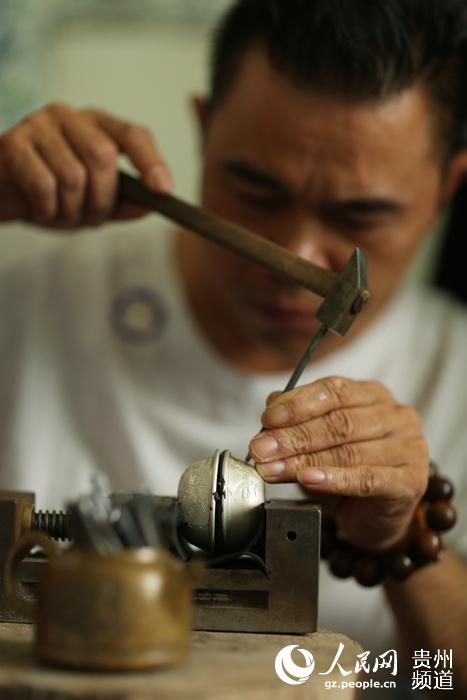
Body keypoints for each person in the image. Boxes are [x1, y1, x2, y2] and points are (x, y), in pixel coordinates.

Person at [0, 0, 466, 693]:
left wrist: (400, 544)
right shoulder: (24, 284)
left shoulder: (455, 375)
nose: (294, 258)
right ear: (201, 130)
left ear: (444, 190)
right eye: (253, 191)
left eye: (358, 214)